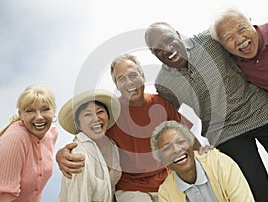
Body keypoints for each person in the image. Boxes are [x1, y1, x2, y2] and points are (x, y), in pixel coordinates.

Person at [145, 22, 268, 202]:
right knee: (256, 190)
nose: (166, 48)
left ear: (178, 34)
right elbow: (172, 119)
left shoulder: (209, 40)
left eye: (168, 39)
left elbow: (246, 41)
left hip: (260, 109)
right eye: (158, 49)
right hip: (224, 132)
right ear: (154, 54)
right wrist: (195, 145)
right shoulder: (163, 83)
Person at [56, 53, 194, 202]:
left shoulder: (161, 103)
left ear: (142, 76)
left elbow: (186, 137)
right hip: (130, 188)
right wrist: (61, 154)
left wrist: (207, 155)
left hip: (167, 181)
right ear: (117, 86)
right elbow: (87, 138)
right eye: (121, 79)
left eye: (133, 75)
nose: (129, 82)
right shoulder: (113, 113)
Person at [208, 6, 268, 125]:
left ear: (250, 21)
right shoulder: (237, 65)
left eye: (241, 29)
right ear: (222, 45)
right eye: (229, 38)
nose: (240, 39)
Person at [151, 120, 255, 202]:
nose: (177, 150)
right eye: (166, 148)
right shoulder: (166, 193)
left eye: (181, 141)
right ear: (162, 161)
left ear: (191, 145)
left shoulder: (220, 163)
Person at [57, 89, 122, 202]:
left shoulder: (112, 145)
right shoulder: (79, 154)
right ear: (78, 124)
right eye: (88, 114)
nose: (96, 118)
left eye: (100, 111)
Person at [0, 85, 58, 202]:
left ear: (54, 111)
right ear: (21, 115)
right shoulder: (16, 138)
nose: (39, 117)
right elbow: (5, 195)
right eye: (30, 111)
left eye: (45, 109)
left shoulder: (52, 133)